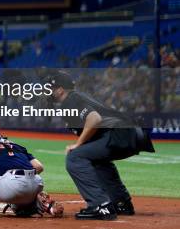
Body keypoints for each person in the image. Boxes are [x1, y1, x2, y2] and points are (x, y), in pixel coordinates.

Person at [47, 71, 155, 220]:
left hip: (120, 134)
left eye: (51, 89)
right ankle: (121, 203)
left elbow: (94, 119)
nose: (49, 92)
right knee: (95, 159)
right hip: (131, 133)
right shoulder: (78, 98)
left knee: (74, 157)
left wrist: (78, 144)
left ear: (60, 90)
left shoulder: (71, 100)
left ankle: (100, 205)